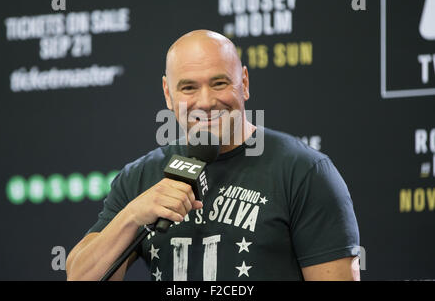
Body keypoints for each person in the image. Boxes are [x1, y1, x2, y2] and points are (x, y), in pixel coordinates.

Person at [66, 30, 361, 281]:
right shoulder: (140, 178)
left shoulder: (304, 171)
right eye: (189, 87)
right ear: (168, 94)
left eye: (219, 83)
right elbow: (79, 275)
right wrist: (132, 216)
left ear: (243, 83)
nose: (206, 102)